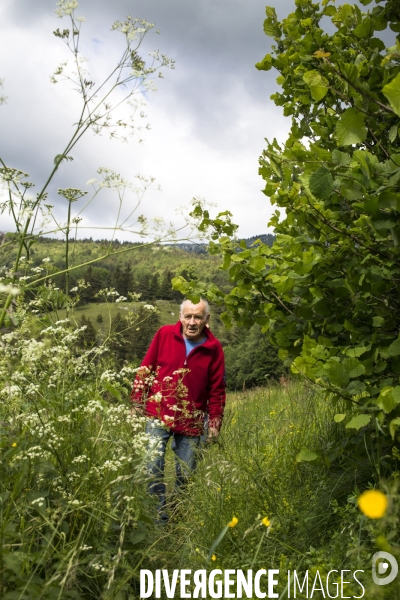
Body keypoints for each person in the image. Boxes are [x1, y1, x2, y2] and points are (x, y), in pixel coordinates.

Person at [131, 298, 225, 522]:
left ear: (206, 320)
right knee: (152, 466)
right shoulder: (164, 334)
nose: (192, 322)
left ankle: (175, 511)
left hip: (192, 419)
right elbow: (146, 368)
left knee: (186, 473)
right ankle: (158, 519)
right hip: (158, 411)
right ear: (180, 317)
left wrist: (214, 423)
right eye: (188, 316)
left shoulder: (214, 349)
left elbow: (217, 390)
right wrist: (137, 402)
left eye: (198, 317)